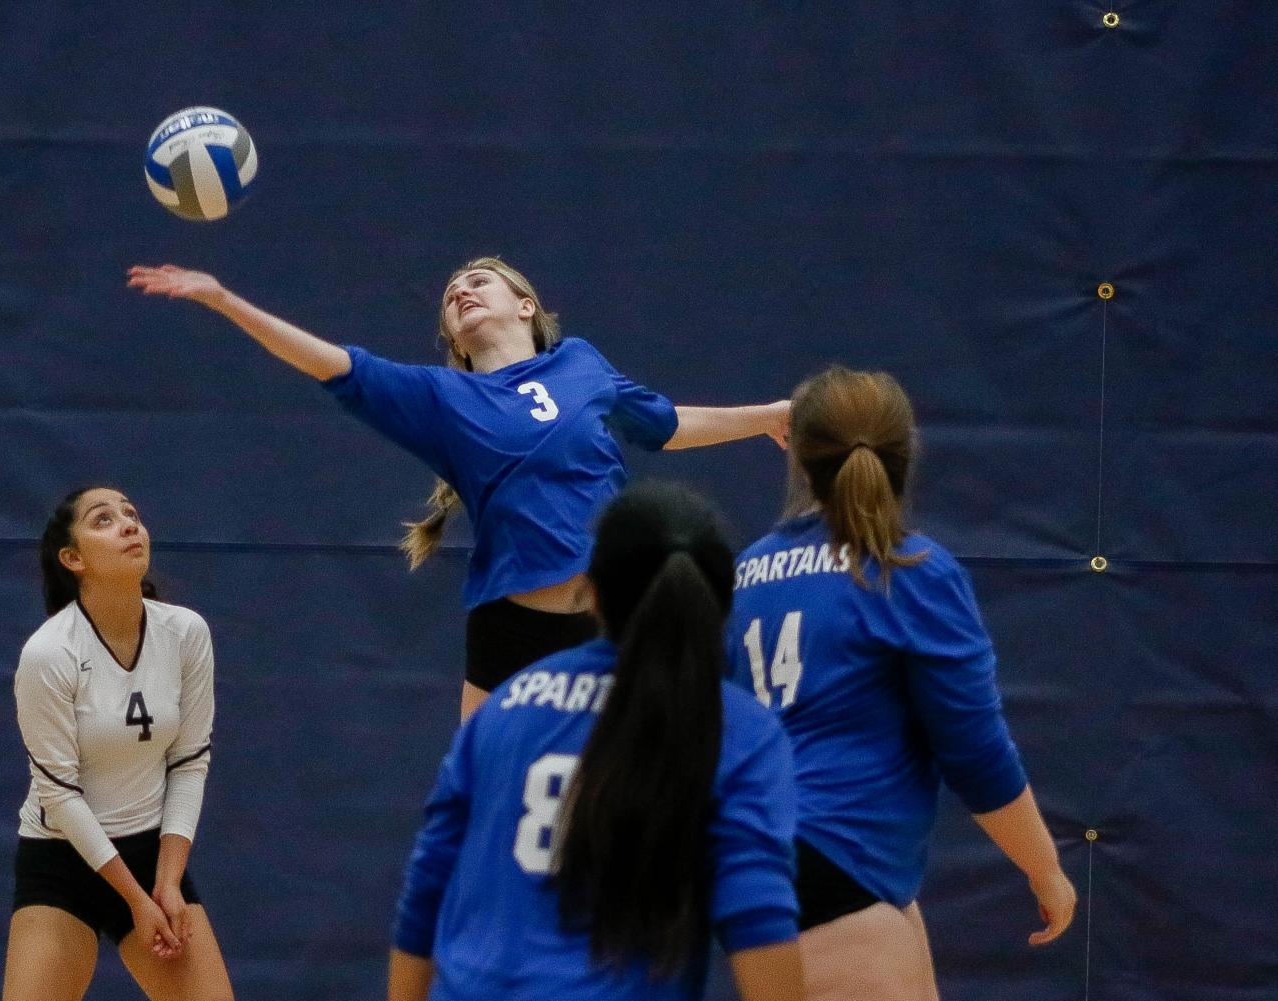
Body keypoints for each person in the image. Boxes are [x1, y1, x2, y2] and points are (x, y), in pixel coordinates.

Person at [128, 258, 790, 719]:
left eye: (479, 282)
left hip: (616, 612)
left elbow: (666, 423)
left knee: (645, 789)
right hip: (513, 624)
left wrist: (767, 416)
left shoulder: (580, 362)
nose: (462, 292)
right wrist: (223, 300)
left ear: (525, 306)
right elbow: (330, 363)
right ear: (451, 336)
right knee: (482, 807)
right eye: (451, 294)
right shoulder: (444, 396)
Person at [725, 367, 1077, 1001]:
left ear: (797, 455)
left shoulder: (747, 571)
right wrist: (1045, 869)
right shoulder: (908, 569)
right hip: (836, 858)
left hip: (766, 857)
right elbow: (974, 751)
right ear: (907, 453)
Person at [388, 482, 804, 1001]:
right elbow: (759, 921)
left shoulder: (506, 706)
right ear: (720, 599)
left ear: (593, 591)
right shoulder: (737, 728)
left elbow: (426, 894)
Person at [4, 487, 234, 1001]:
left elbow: (191, 762)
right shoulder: (49, 653)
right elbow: (59, 796)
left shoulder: (186, 632)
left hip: (154, 859)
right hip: (62, 862)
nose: (129, 524)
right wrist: (135, 898)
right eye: (103, 520)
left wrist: (167, 883)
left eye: (132, 513)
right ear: (73, 558)